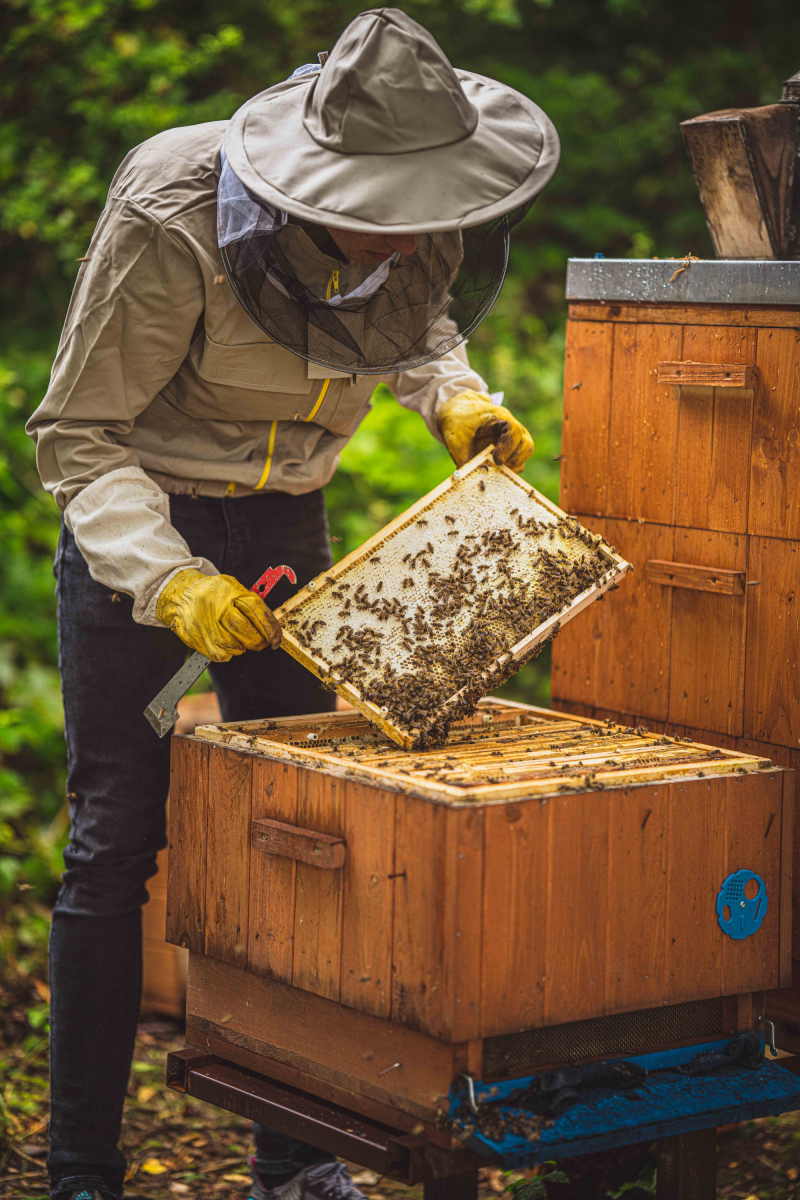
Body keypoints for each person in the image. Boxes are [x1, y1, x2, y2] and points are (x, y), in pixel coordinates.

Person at [26, 8, 560, 1200]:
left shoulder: (422, 223)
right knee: (119, 838)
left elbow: (407, 326)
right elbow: (79, 438)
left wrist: (454, 400)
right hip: (144, 521)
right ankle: (79, 1171)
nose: (413, 236)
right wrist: (169, 582)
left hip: (282, 532)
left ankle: (297, 1161)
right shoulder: (172, 209)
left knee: (302, 842)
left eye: (429, 213)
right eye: (386, 213)